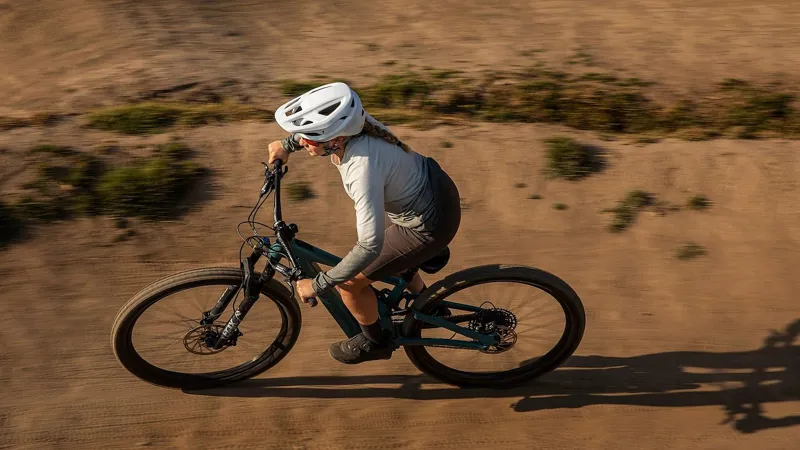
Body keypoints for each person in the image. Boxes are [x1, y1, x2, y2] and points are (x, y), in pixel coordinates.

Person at [267, 82, 461, 364]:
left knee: (349, 285)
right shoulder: (358, 126)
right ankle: (432, 307)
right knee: (386, 258)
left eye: (308, 137)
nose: (303, 140)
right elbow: (318, 135)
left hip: (427, 224)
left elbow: (370, 244)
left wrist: (319, 284)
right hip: (436, 192)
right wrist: (287, 144)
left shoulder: (361, 168)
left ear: (334, 139)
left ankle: (376, 342)